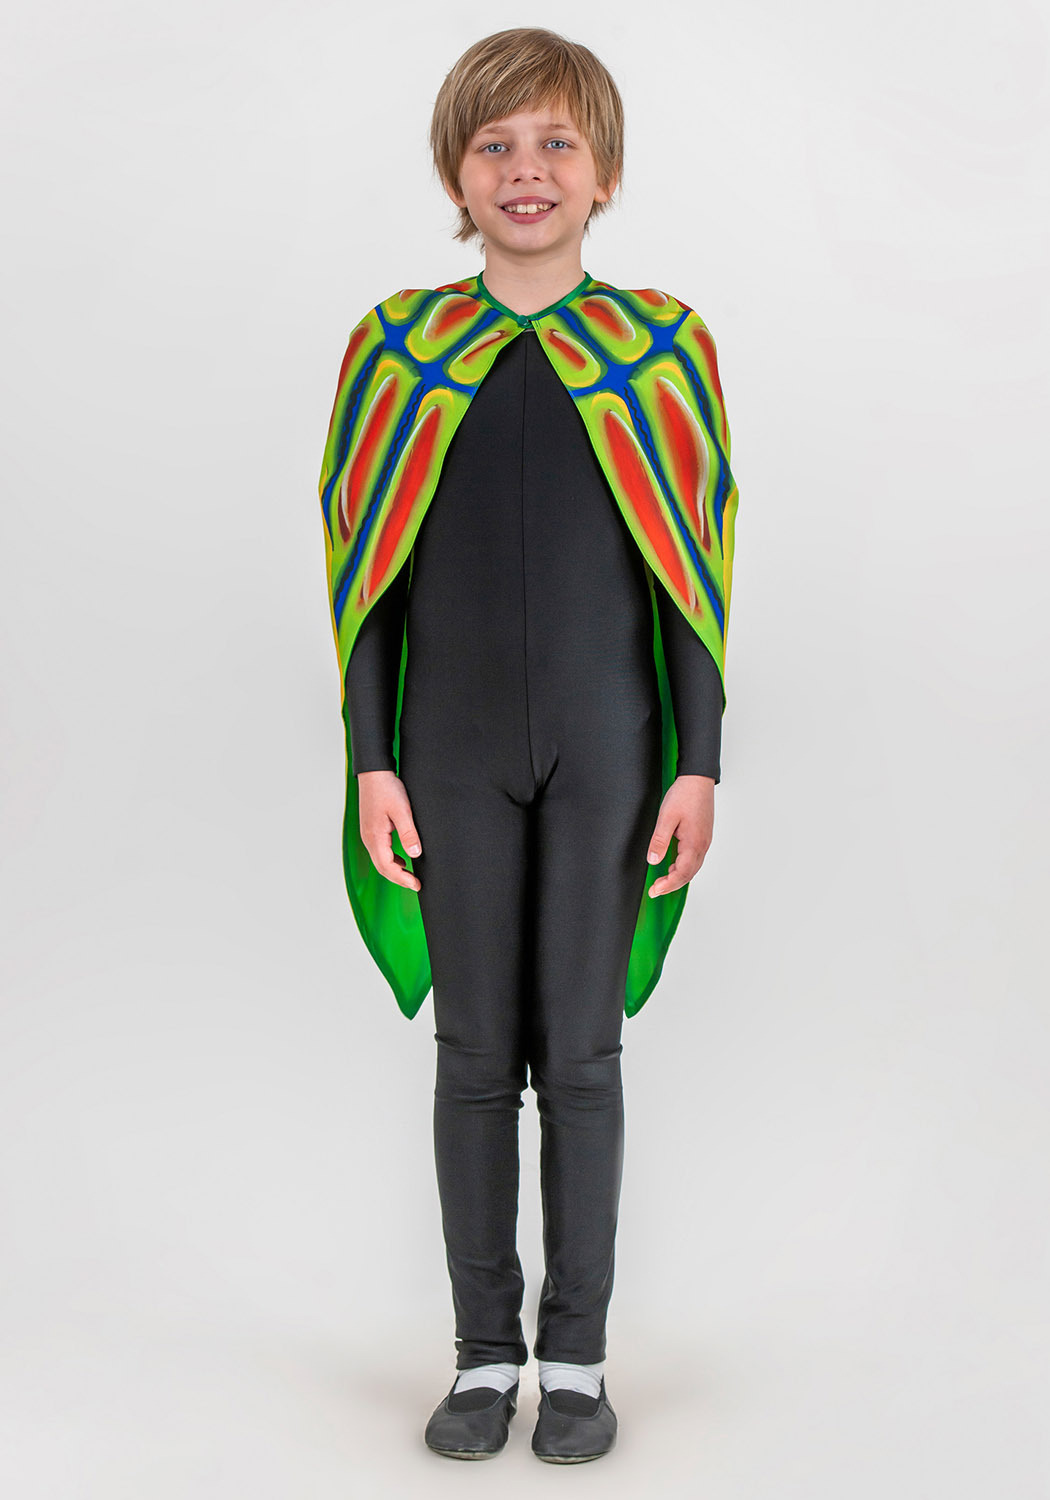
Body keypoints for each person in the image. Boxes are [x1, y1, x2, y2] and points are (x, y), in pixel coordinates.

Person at [316, 26, 739, 1463]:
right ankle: (484, 1354)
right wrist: (371, 760)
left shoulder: (663, 347)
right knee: (474, 1058)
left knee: (585, 1058)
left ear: (604, 171)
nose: (525, 168)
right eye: (493, 144)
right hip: (447, 752)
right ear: (455, 173)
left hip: (613, 749)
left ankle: (578, 1359)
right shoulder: (394, 349)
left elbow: (693, 570)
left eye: (557, 140)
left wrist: (698, 762)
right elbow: (363, 574)